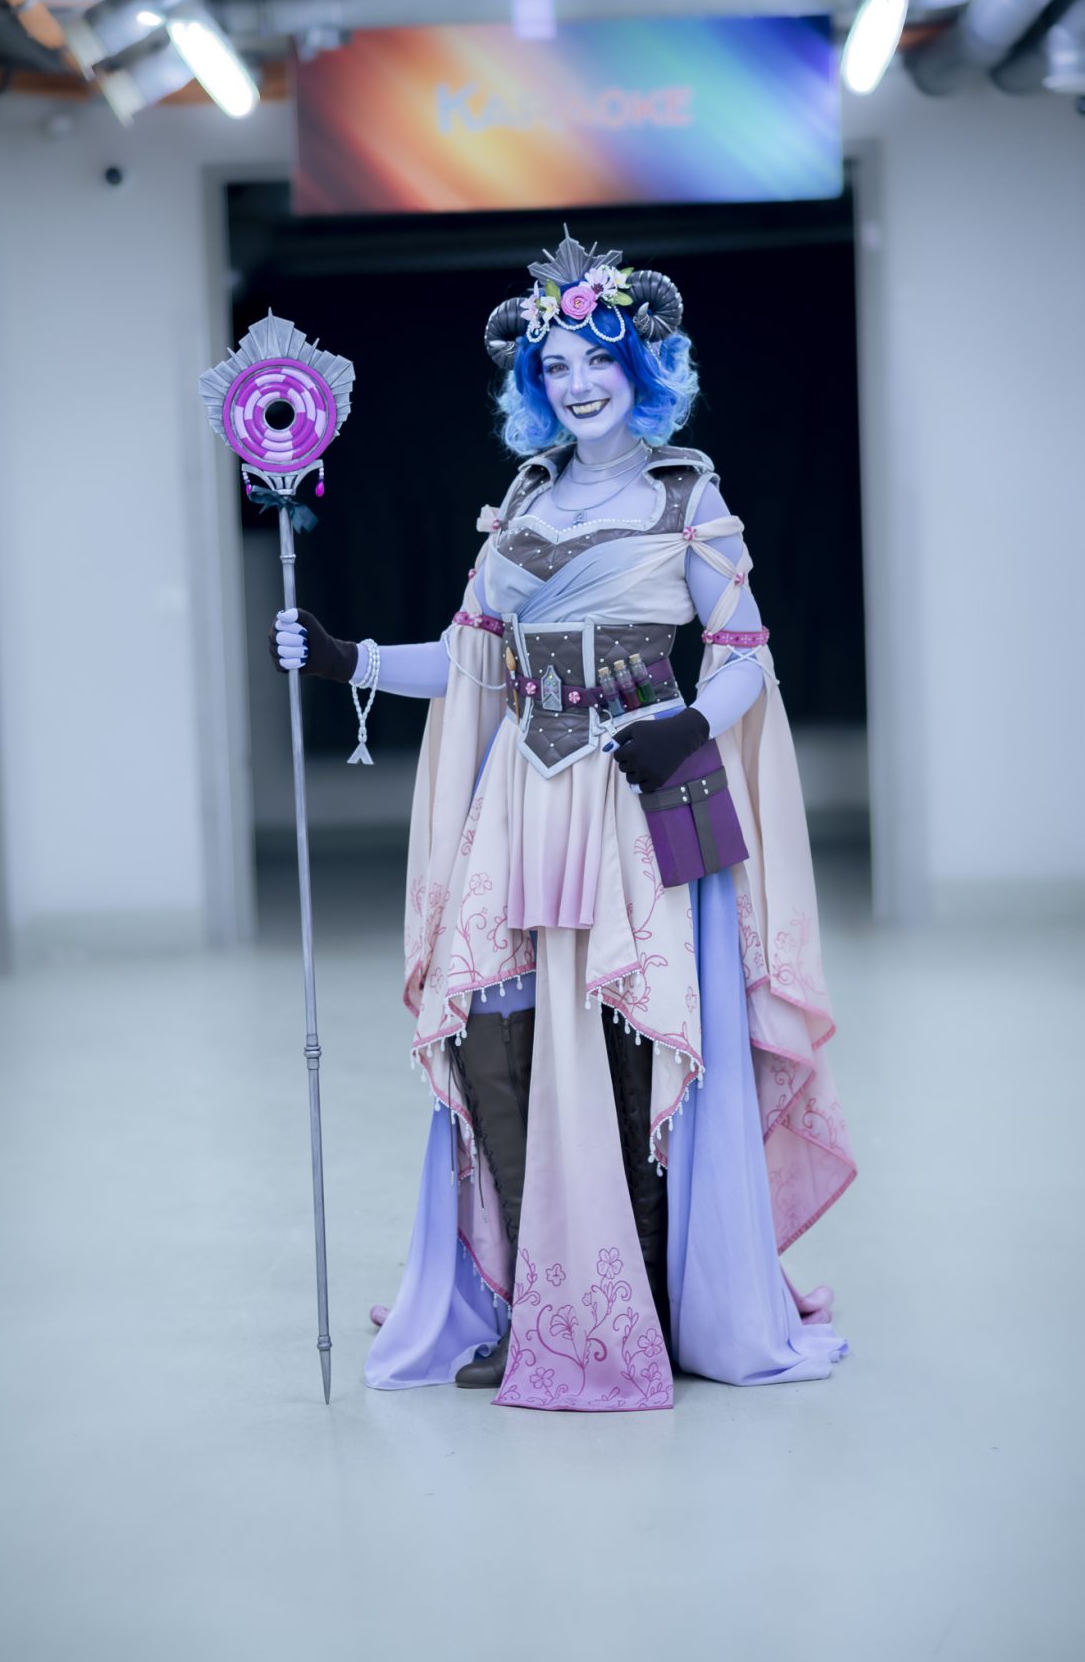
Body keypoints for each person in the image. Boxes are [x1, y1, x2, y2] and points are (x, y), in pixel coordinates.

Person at [269, 230, 856, 1414]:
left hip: (640, 793)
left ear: (642, 368)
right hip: (522, 794)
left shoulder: (688, 495)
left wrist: (687, 726)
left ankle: (639, 1301)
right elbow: (470, 658)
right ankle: (535, 1302)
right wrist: (347, 660)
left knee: (635, 1035)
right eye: (556, 368)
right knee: (495, 1031)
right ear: (534, 386)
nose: (578, 383)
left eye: (599, 359)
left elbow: (743, 652)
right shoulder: (525, 502)